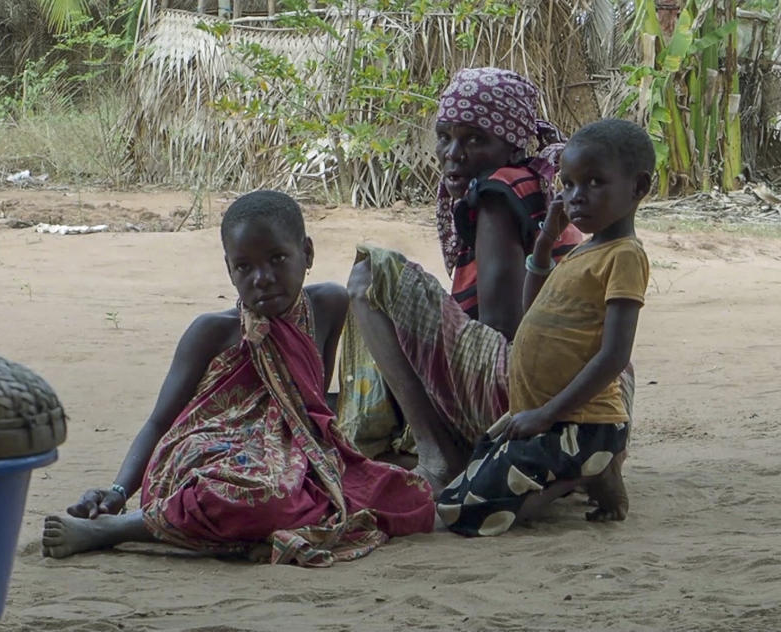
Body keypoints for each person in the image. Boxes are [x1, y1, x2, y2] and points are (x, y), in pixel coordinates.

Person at [42, 191, 435, 567]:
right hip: (210, 459)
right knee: (261, 498)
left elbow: (307, 408)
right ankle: (120, 529)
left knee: (410, 497)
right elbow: (160, 422)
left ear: (308, 253)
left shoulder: (328, 306)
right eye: (244, 266)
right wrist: (117, 493)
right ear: (229, 270)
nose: (262, 278)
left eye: (278, 258)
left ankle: (243, 520)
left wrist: (321, 461)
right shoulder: (212, 332)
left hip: (293, 459)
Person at [340, 67, 608, 486]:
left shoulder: (498, 194)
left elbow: (502, 327)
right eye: (445, 136)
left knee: (371, 275)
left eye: (475, 139)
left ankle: (438, 456)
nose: (453, 153)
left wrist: (431, 351)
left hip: (526, 390)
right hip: (588, 397)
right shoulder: (538, 186)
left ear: (511, 145)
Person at [436, 118, 653, 536]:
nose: (576, 197)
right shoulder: (586, 250)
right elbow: (531, 307)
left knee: (469, 517)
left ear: (638, 188)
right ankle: (582, 471)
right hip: (547, 420)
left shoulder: (624, 255)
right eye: (568, 185)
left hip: (581, 423)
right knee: (453, 496)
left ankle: (589, 471)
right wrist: (542, 245)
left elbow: (614, 356)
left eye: (593, 183)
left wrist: (545, 414)